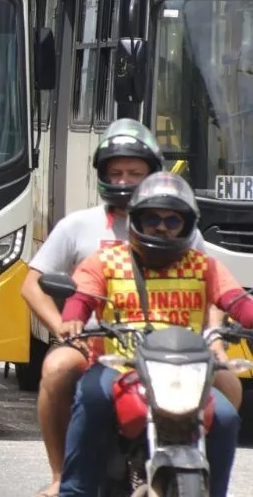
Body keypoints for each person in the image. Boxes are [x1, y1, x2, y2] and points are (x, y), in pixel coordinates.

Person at [19, 118, 239, 497]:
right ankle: (66, 479)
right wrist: (66, 328)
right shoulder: (89, 238)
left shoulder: (193, 248)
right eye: (115, 173)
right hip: (104, 344)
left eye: (133, 174)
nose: (162, 228)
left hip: (177, 351)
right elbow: (49, 288)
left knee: (227, 402)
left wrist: (215, 340)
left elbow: (218, 292)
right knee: (68, 377)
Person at [58, 172, 253, 497]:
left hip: (187, 371)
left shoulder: (204, 265)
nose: (161, 227)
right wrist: (72, 320)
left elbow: (237, 301)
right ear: (136, 220)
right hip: (120, 365)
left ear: (186, 225)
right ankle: (73, 490)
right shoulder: (108, 260)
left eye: (172, 220)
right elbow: (81, 298)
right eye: (152, 218)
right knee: (91, 399)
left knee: (226, 417)